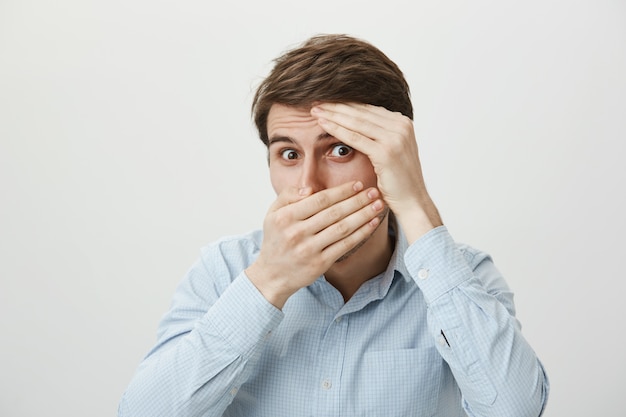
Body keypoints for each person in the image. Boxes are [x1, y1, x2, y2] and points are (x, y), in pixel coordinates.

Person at [118, 34, 549, 417]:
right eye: (289, 154)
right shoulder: (223, 270)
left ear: (391, 157)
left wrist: (415, 204)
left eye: (340, 150)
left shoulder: (462, 276)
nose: (308, 186)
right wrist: (268, 282)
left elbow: (516, 409)